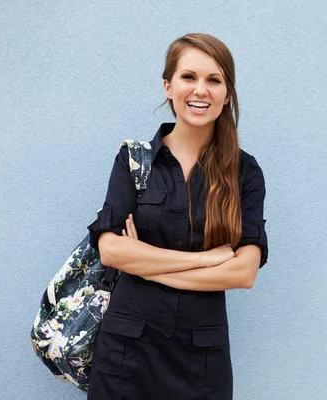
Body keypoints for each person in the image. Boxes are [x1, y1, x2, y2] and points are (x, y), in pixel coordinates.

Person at [86, 33, 268, 400]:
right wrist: (206, 260)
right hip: (126, 351)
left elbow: (243, 272)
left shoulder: (244, 173)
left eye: (213, 80)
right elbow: (111, 252)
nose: (200, 90)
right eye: (189, 77)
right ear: (168, 86)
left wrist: (144, 262)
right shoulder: (133, 161)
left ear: (227, 93)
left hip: (200, 361)